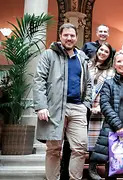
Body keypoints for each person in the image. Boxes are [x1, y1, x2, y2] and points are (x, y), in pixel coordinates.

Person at [33, 23, 92, 180]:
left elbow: (89, 83)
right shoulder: (48, 55)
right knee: (54, 148)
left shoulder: (81, 57)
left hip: (78, 108)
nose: (69, 38)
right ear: (60, 36)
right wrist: (41, 106)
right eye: (66, 35)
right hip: (54, 108)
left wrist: (86, 105)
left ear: (76, 37)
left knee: (80, 148)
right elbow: (39, 81)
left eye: (72, 35)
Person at [90, 50, 123, 180]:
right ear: (114, 65)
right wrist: (118, 127)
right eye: (119, 61)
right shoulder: (108, 83)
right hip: (112, 130)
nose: (122, 64)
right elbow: (105, 105)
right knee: (112, 169)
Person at [87, 42, 115, 180]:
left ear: (109, 55)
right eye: (101, 50)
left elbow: (110, 91)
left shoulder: (111, 70)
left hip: (100, 108)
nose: (103, 53)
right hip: (85, 106)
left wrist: (101, 106)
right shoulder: (88, 65)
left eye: (106, 52)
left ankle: (94, 167)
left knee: (98, 140)